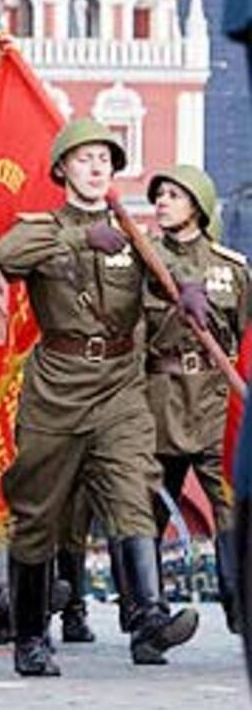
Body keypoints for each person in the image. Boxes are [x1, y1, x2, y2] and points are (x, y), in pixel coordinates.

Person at [0, 118, 204, 676]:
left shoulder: (133, 235)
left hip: (119, 386)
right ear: (62, 168)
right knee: (37, 515)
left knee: (134, 488)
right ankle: (31, 637)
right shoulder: (41, 227)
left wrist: (189, 287)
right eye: (84, 159)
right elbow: (8, 254)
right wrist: (81, 236)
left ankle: (148, 616)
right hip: (57, 386)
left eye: (105, 162)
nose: (96, 169)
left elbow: (172, 266)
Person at [144, 165, 249, 633]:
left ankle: (237, 602)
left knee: (229, 505)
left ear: (199, 207)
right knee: (146, 508)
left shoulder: (233, 269)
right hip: (160, 399)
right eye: (159, 195)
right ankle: (150, 622)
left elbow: (246, 341)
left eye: (173, 195)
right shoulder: (144, 262)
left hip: (216, 399)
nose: (162, 202)